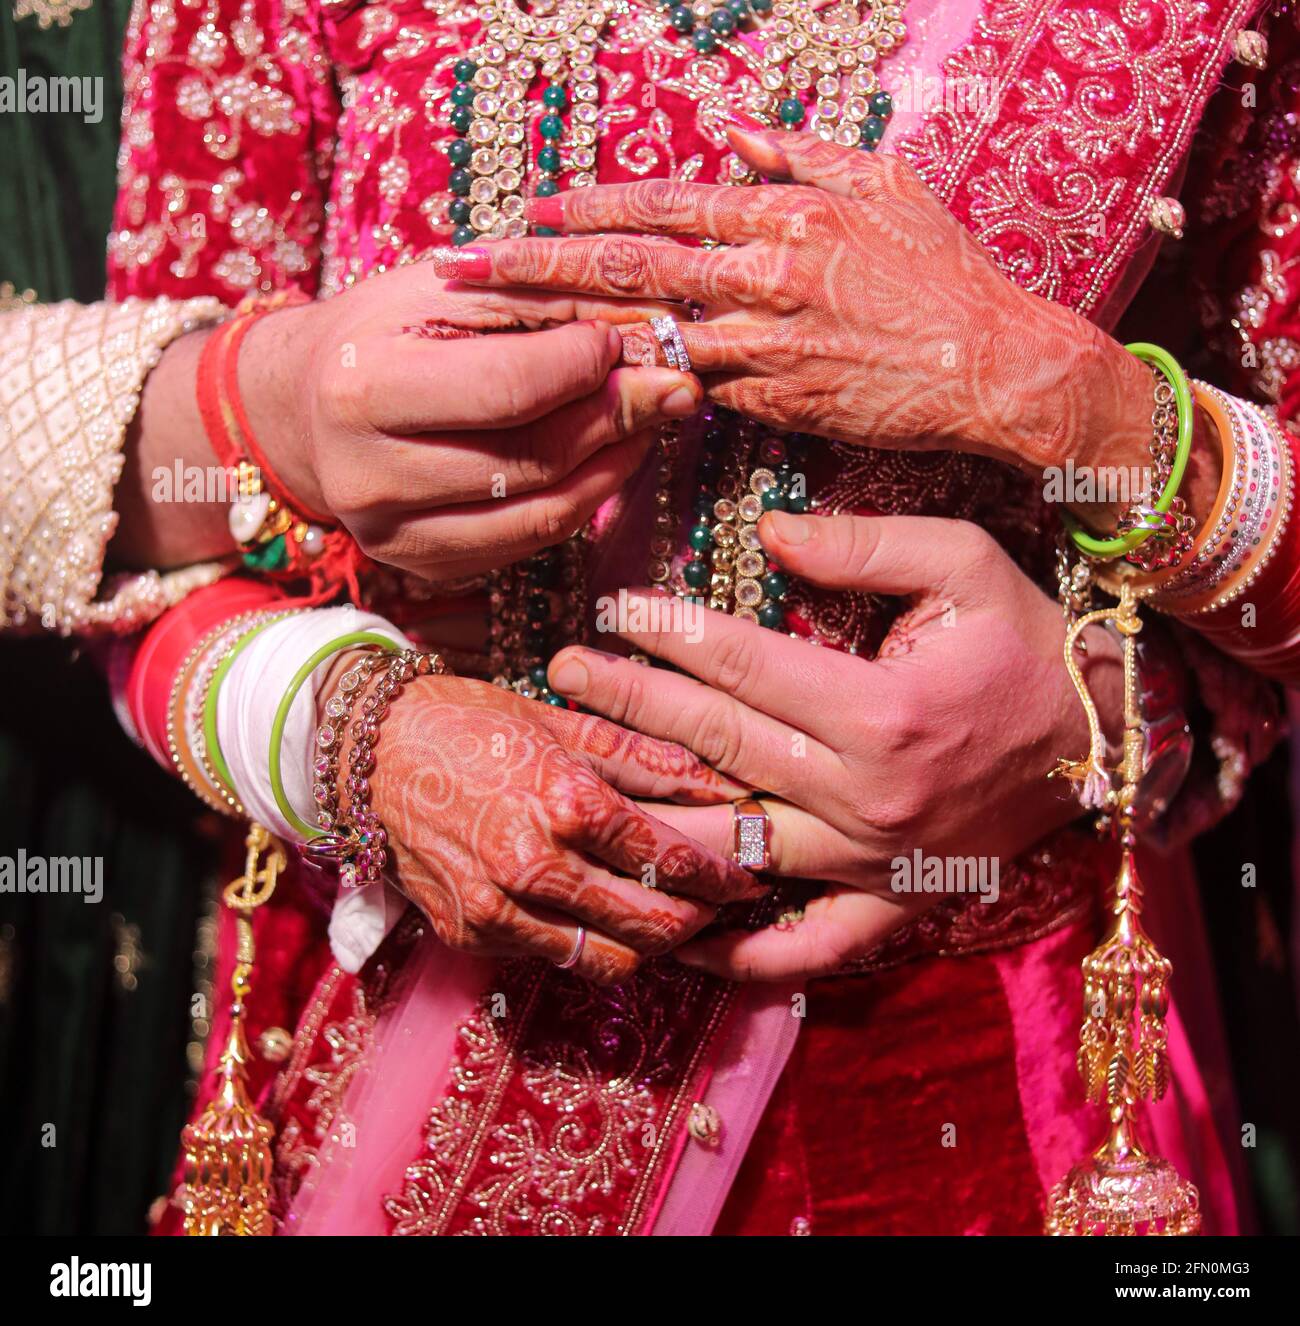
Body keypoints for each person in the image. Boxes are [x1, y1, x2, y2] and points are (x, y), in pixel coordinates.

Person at [2, 0, 1296, 1235]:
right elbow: (142, 530)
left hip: (994, 1081)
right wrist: (357, 739)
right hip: (428, 1044)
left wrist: (1099, 670)